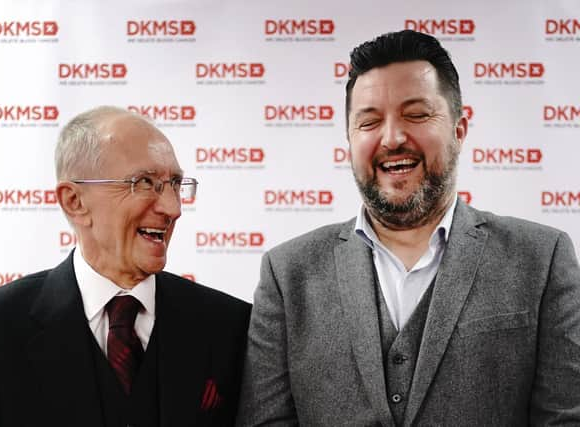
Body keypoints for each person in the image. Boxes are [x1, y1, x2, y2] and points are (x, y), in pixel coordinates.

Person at [236, 30, 580, 426]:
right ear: (349, 139)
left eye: (416, 115)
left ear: (459, 130)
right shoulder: (287, 273)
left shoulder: (541, 258)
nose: (393, 137)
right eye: (368, 122)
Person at [0, 106, 251, 427]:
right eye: (144, 182)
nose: (173, 207)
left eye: (175, 183)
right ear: (74, 201)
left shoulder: (231, 326)